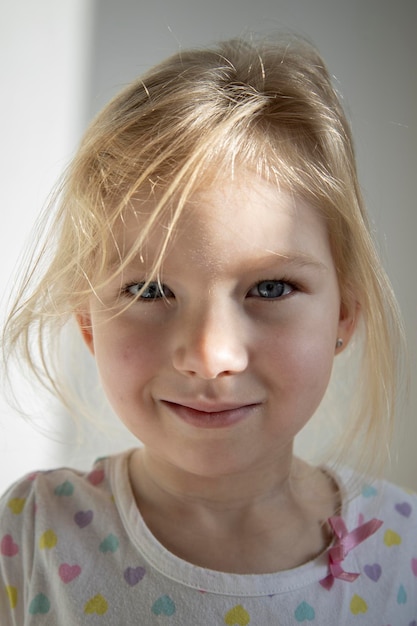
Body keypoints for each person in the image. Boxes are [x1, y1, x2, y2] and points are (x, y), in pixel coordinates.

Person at [0, 34, 415, 624]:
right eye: (148, 290)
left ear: (344, 312)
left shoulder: (404, 549)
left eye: (269, 289)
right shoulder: (33, 532)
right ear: (88, 322)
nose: (209, 355)